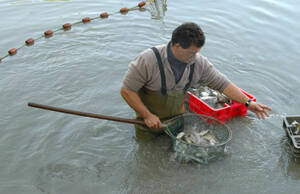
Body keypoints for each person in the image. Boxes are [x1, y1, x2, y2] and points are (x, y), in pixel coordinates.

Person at [121, 22, 271, 139]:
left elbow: (222, 83)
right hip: (147, 123)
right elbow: (127, 91)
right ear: (177, 46)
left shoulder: (199, 63)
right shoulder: (147, 60)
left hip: (177, 120)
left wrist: (248, 103)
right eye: (191, 52)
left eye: (197, 52)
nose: (194, 57)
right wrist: (147, 115)